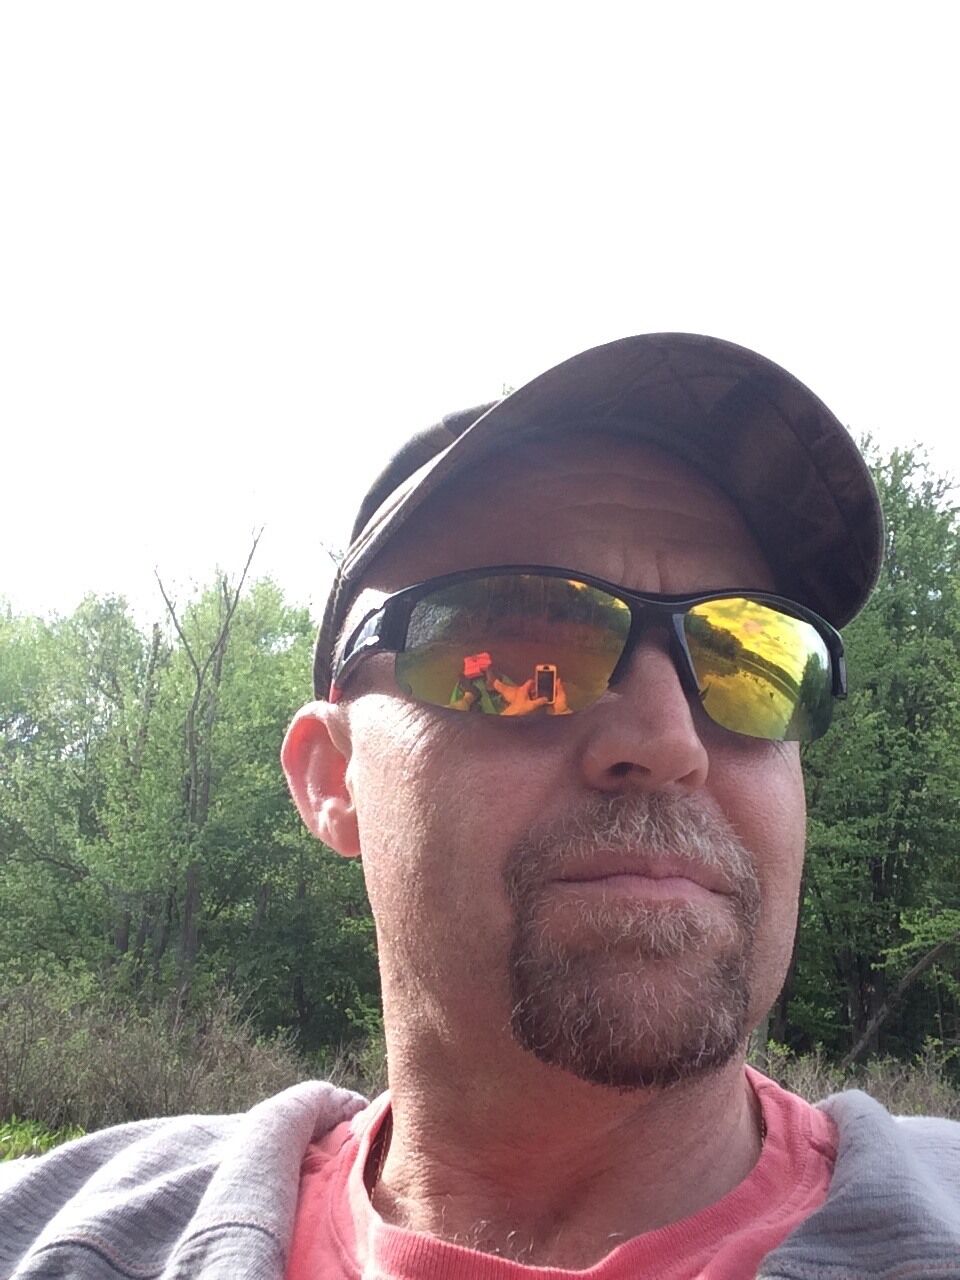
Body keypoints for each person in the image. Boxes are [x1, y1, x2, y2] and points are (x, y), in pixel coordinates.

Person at [3, 333, 959, 1278]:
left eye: (753, 664)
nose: (671, 743)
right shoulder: (53, 1235)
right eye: (520, 655)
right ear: (332, 778)